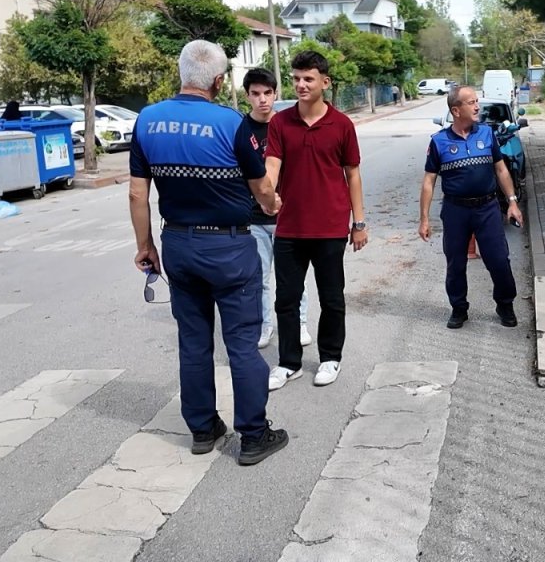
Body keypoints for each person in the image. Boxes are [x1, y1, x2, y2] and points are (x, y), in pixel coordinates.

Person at [128, 40, 288, 467]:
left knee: (194, 341)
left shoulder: (148, 120)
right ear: (218, 81)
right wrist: (272, 204)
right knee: (240, 342)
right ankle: (253, 435)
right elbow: (261, 188)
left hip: (178, 244)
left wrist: (146, 246)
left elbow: (137, 193)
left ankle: (202, 428)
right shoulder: (230, 123)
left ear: (182, 73)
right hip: (229, 247)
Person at [264, 50, 368, 391]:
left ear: (325, 82)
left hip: (330, 227)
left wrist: (359, 223)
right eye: (296, 79)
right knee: (286, 299)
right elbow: (273, 165)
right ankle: (288, 362)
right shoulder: (280, 123)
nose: (301, 84)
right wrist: (267, 192)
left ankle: (330, 358)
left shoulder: (341, 125)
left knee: (331, 298)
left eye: (308, 79)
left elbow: (352, 174)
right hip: (290, 227)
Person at [419, 85, 523, 329]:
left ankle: (505, 304)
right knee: (456, 262)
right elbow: (428, 181)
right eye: (471, 102)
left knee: (499, 260)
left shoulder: (487, 134)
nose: (477, 106)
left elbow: (500, 169)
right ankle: (459, 308)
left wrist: (512, 202)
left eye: (477, 101)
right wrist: (424, 219)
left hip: (487, 208)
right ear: (456, 110)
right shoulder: (439, 142)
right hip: (456, 212)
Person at [239, 67, 312, 351]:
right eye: (255, 94)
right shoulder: (240, 129)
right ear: (247, 96)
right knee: (261, 279)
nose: (262, 100)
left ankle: (300, 322)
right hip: (253, 219)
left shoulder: (287, 125)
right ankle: (265, 325)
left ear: (275, 94)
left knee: (292, 278)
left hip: (288, 218)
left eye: (267, 93)